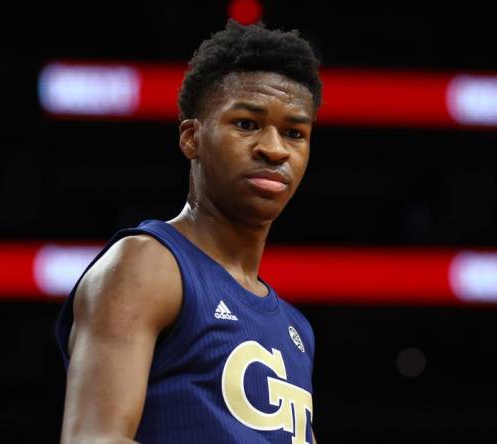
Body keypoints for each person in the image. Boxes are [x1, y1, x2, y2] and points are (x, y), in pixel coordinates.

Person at [55, 19, 322, 444]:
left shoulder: (297, 329)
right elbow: (94, 438)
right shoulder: (146, 264)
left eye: (295, 133)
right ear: (192, 138)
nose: (274, 148)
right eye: (247, 124)